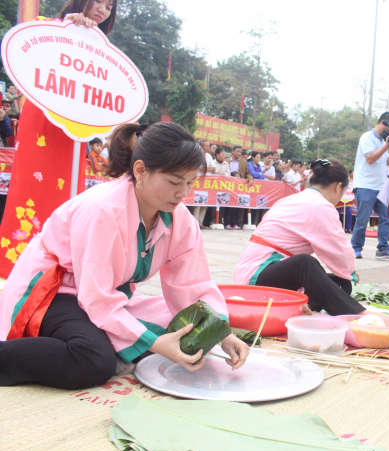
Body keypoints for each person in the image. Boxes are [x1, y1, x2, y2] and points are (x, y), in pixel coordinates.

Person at [0, 122, 249, 390]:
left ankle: (118, 342)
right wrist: (153, 343)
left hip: (103, 294)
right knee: (92, 359)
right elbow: (95, 297)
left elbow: (192, 285)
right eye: (175, 181)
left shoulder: (181, 220)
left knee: (185, 332)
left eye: (189, 183)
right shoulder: (103, 210)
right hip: (56, 291)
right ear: (141, 170)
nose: (182, 193)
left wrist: (221, 333)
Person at [0, 1, 119, 279]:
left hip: (73, 128)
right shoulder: (47, 25)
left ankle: (56, 263)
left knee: (67, 195)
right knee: (30, 188)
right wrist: (66, 26)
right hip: (42, 120)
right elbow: (25, 47)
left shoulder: (99, 46)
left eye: (110, 6)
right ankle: (16, 263)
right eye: (99, 1)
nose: (104, 9)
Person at [234, 160, 389, 318]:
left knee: (341, 283)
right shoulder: (320, 206)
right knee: (305, 263)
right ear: (338, 187)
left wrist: (347, 273)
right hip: (256, 276)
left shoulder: (292, 199)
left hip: (261, 270)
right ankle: (359, 313)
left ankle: (301, 304)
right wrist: (350, 270)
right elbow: (338, 248)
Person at [351, 112, 389, 260]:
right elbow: (370, 158)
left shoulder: (383, 142)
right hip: (365, 186)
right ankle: (355, 248)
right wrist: (387, 146)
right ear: (384, 123)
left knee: (387, 217)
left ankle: (383, 248)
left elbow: (386, 161)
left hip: (381, 187)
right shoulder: (367, 137)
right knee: (362, 220)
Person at [223, 146, 252, 231]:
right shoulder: (227, 161)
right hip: (227, 186)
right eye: (238, 152)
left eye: (240, 152)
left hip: (239, 187)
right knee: (227, 205)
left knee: (236, 206)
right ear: (233, 152)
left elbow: (247, 173)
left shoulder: (243, 162)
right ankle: (227, 223)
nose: (239, 153)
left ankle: (235, 223)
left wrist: (250, 179)